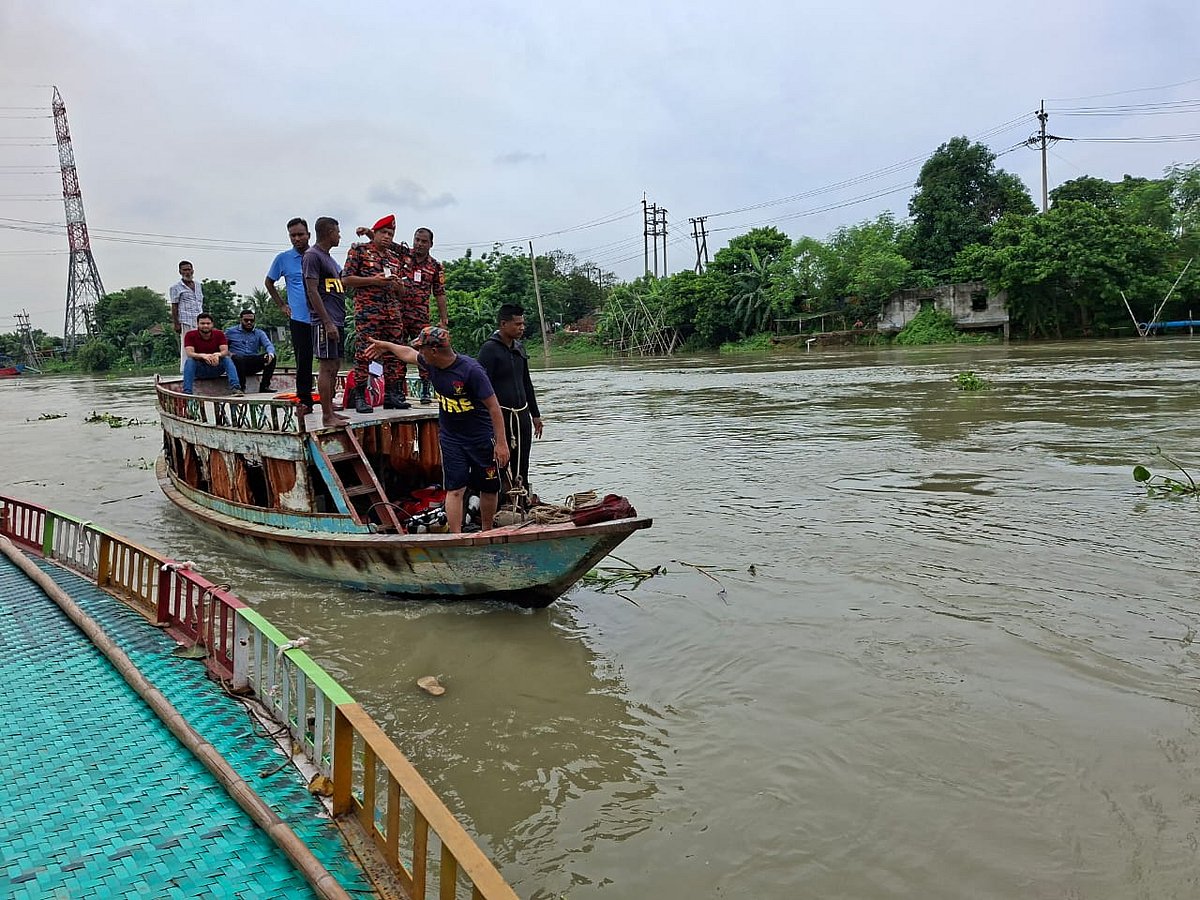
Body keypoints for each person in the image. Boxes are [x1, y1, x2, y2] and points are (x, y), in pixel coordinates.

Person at [365, 326, 510, 533]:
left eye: (422, 348)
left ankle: (487, 531)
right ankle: (456, 536)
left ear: (434, 350)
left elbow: (494, 407)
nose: (420, 353)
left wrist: (502, 443)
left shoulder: (471, 371)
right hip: (451, 438)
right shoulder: (430, 363)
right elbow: (407, 353)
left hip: (480, 437)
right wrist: (386, 346)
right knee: (455, 488)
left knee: (488, 486)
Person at [476, 303, 543, 501]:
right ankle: (502, 501)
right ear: (503, 324)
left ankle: (521, 500)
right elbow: (481, 387)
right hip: (501, 415)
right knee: (501, 462)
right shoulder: (489, 350)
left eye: (523, 324)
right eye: (517, 324)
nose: (522, 328)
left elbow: (526, 383)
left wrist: (535, 415)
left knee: (522, 461)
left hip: (521, 414)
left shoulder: (519, 348)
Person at [341, 214, 404, 413]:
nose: (387, 236)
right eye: (384, 232)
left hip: (392, 313)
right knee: (364, 353)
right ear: (374, 233)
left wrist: (398, 286)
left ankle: (392, 395)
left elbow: (402, 293)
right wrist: (374, 281)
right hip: (368, 312)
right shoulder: (359, 250)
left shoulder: (394, 259)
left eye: (391, 233)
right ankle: (360, 395)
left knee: (394, 352)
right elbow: (346, 279)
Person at [302, 216, 349, 427]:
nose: (339, 236)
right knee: (326, 367)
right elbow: (312, 291)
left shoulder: (329, 258)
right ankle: (327, 415)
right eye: (337, 232)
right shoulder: (312, 256)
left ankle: (332, 411)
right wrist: (327, 322)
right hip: (324, 321)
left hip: (337, 318)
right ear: (330, 232)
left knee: (336, 364)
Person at [265, 218, 315, 413]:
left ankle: (326, 400)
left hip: (321, 318)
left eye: (300, 234)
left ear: (308, 235)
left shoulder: (317, 255)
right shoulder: (283, 259)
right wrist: (282, 305)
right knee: (303, 361)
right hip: (299, 318)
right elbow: (269, 282)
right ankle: (305, 400)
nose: (297, 238)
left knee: (328, 359)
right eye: (293, 235)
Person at [399, 227, 449, 404]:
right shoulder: (403, 255)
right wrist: (368, 232)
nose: (419, 244)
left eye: (423, 241)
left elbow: (440, 293)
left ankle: (426, 391)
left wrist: (444, 320)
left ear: (431, 244)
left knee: (425, 353)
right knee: (397, 352)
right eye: (417, 240)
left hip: (421, 316)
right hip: (398, 314)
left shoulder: (435, 266)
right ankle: (397, 392)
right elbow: (386, 243)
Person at [182, 312, 242, 396]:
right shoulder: (190, 335)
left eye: (208, 323)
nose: (205, 326)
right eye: (202, 323)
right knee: (190, 361)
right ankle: (187, 392)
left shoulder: (219, 334)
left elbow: (225, 351)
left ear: (212, 324)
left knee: (227, 359)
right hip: (200, 370)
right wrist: (203, 356)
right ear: (197, 324)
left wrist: (218, 355)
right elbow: (190, 353)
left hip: (216, 367)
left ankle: (236, 388)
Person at [225, 308, 277, 392]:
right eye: (246, 320)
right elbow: (222, 347)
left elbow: (268, 345)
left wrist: (270, 353)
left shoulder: (259, 333)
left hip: (253, 361)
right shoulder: (230, 332)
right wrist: (229, 354)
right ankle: (241, 387)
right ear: (240, 320)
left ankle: (264, 386)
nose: (249, 322)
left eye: (251, 320)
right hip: (237, 363)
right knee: (237, 358)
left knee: (272, 357)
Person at [169, 260, 204, 373]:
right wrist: (176, 323)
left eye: (189, 269)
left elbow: (200, 303)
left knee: (202, 345)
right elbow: (174, 306)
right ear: (180, 272)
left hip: (200, 321)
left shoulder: (198, 285)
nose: (187, 272)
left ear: (193, 270)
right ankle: (186, 370)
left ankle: (201, 369)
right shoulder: (176, 287)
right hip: (186, 321)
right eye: (185, 270)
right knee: (187, 347)